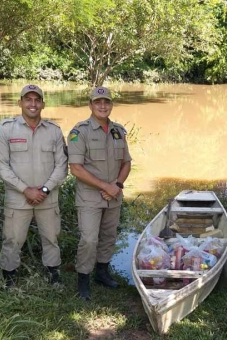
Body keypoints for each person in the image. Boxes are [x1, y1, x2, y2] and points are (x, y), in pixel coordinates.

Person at [0, 85, 68, 287]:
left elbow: (62, 166)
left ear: (43, 104)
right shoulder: (6, 129)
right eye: (28, 99)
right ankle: (9, 276)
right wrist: (25, 189)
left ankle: (53, 274)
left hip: (47, 197)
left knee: (51, 238)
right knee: (12, 240)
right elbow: (0, 165)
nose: (33, 104)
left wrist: (44, 190)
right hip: (18, 198)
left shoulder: (53, 131)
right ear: (20, 103)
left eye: (37, 100)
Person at [67, 86, 132, 300]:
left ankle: (102, 273)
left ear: (111, 105)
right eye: (98, 102)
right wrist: (106, 187)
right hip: (90, 197)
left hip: (114, 195)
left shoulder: (118, 131)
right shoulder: (80, 132)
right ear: (90, 105)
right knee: (88, 239)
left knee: (108, 236)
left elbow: (126, 163)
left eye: (106, 102)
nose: (103, 106)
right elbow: (76, 168)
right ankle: (83, 279)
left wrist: (118, 185)